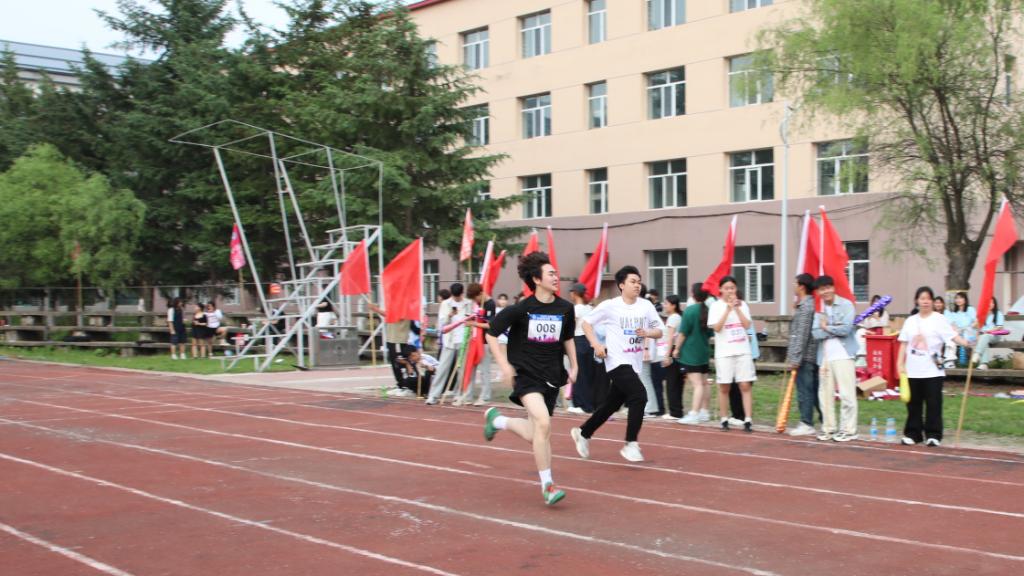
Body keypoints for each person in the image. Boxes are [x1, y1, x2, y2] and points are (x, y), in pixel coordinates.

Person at [482, 251, 577, 506]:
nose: (556, 277)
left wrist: (574, 365)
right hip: (526, 376)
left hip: (552, 377)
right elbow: (491, 333)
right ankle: (548, 486)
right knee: (544, 424)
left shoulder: (565, 308)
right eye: (551, 274)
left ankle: (497, 421)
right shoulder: (521, 309)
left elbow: (568, 338)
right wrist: (504, 365)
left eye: (556, 273)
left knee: (535, 433)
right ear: (536, 279)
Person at [571, 266, 664, 462]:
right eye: (633, 282)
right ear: (622, 285)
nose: (637, 285)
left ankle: (583, 432)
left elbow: (659, 331)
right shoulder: (610, 305)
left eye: (639, 282)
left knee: (611, 405)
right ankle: (631, 444)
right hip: (616, 361)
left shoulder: (646, 306)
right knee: (639, 395)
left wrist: (647, 332)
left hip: (634, 362)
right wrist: (596, 344)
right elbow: (586, 323)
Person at [897, 286, 973, 447]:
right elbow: (903, 343)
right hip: (913, 370)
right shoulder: (910, 321)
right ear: (917, 301)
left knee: (933, 404)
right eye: (922, 298)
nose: (925, 301)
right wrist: (899, 363)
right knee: (913, 404)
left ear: (932, 301)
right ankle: (913, 434)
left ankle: (933, 434)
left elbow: (953, 336)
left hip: (933, 370)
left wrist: (967, 343)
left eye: (928, 298)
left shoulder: (939, 319)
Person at [811, 275, 859, 442]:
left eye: (828, 288)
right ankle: (829, 428)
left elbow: (846, 329)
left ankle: (848, 429)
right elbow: (815, 333)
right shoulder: (820, 310)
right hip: (825, 356)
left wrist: (826, 327)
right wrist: (831, 328)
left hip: (844, 355)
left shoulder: (846, 305)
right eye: (822, 289)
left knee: (847, 394)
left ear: (833, 288)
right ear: (818, 292)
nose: (825, 292)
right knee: (825, 394)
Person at [707, 276, 755, 432]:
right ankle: (724, 418)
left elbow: (747, 325)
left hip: (742, 350)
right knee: (724, 386)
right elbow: (716, 328)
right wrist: (728, 309)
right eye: (726, 288)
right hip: (724, 352)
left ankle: (748, 419)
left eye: (732, 288)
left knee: (745, 384)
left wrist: (737, 308)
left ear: (736, 289)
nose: (729, 291)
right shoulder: (715, 306)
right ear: (720, 289)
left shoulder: (743, 305)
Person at [425, 283, 473, 404]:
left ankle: (459, 394)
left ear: (462, 293)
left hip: (463, 340)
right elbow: (442, 324)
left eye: (458, 296)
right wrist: (449, 315)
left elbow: (472, 319)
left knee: (462, 369)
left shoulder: (468, 303)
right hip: (449, 341)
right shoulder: (445, 304)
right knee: (442, 368)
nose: (457, 298)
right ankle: (433, 395)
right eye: (455, 296)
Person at [785, 273, 820, 436]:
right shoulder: (804, 305)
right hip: (806, 355)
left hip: (805, 356)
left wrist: (796, 357)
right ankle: (825, 421)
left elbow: (802, 335)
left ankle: (806, 422)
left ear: (802, 287)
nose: (793, 286)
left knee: (805, 390)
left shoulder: (806, 307)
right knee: (813, 390)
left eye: (795, 283)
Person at [675, 284, 712, 424]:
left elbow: (683, 333)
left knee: (697, 384)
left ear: (693, 294)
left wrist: (676, 349)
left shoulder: (689, 311)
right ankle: (704, 412)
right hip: (703, 351)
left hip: (691, 352)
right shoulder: (708, 310)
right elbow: (710, 333)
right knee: (704, 383)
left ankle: (694, 413)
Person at [568, 283, 595, 414]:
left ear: (574, 294)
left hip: (578, 341)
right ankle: (588, 404)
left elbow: (569, 327)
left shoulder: (576, 309)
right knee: (587, 374)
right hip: (590, 341)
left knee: (578, 373)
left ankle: (580, 404)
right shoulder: (590, 308)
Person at [660, 295, 684, 419]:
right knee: (677, 382)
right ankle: (677, 411)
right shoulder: (678, 317)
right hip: (676, 350)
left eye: (666, 303)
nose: (664, 306)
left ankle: (675, 412)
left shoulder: (673, 318)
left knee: (672, 383)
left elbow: (670, 338)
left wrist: (666, 355)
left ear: (673, 306)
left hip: (672, 350)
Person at [943, 291, 977, 368]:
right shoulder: (955, 313)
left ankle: (963, 362)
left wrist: (969, 327)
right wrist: (956, 330)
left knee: (964, 333)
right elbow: (953, 325)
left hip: (970, 334)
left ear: (965, 300)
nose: (958, 300)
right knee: (951, 338)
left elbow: (976, 322)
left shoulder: (970, 309)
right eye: (957, 298)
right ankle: (949, 361)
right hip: (959, 334)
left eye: (961, 298)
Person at [973, 297, 1005, 370]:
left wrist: (988, 332)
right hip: (984, 336)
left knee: (985, 336)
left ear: (994, 304)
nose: (990, 304)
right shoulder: (983, 315)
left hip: (995, 335)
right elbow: (975, 326)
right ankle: (984, 364)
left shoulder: (998, 313)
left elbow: (999, 327)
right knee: (984, 339)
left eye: (991, 302)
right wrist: (979, 319)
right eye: (988, 303)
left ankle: (977, 353)